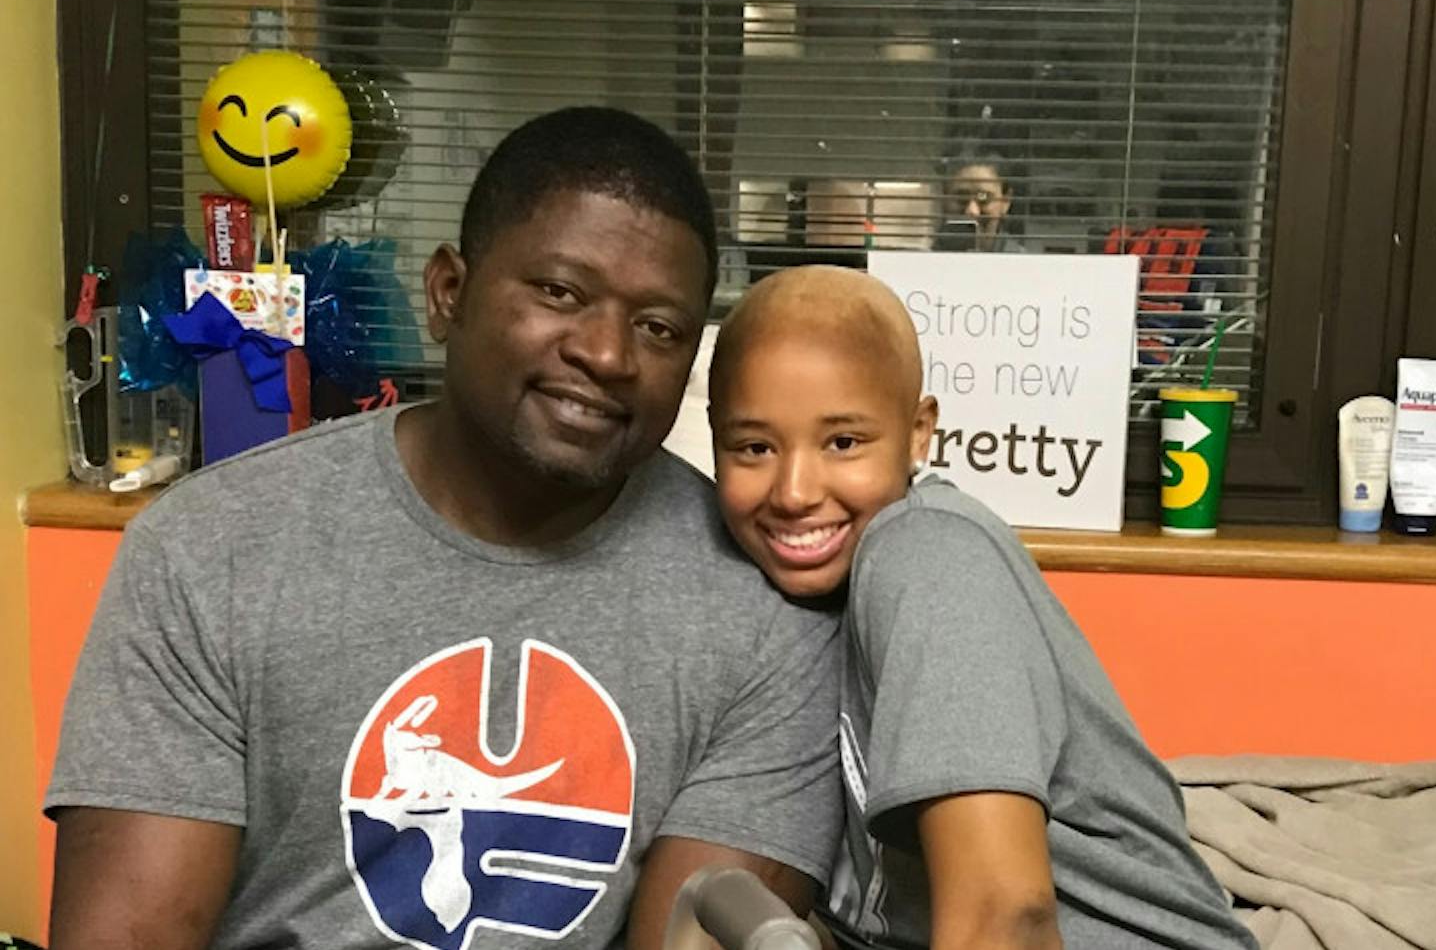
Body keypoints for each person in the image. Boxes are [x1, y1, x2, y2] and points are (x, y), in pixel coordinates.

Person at [45, 107, 843, 950]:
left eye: (659, 327)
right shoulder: (211, 550)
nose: (609, 354)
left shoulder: (763, 609)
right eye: (560, 292)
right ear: (447, 293)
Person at [707, 266, 1256, 950]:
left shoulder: (927, 551)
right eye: (755, 446)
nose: (794, 491)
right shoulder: (767, 593)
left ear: (918, 432)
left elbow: (1009, 914)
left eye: (843, 442)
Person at [934, 141, 1022, 254]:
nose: (972, 211)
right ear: (944, 197)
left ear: (1005, 201)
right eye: (961, 198)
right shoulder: (925, 261)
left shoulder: (1021, 266)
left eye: (984, 198)